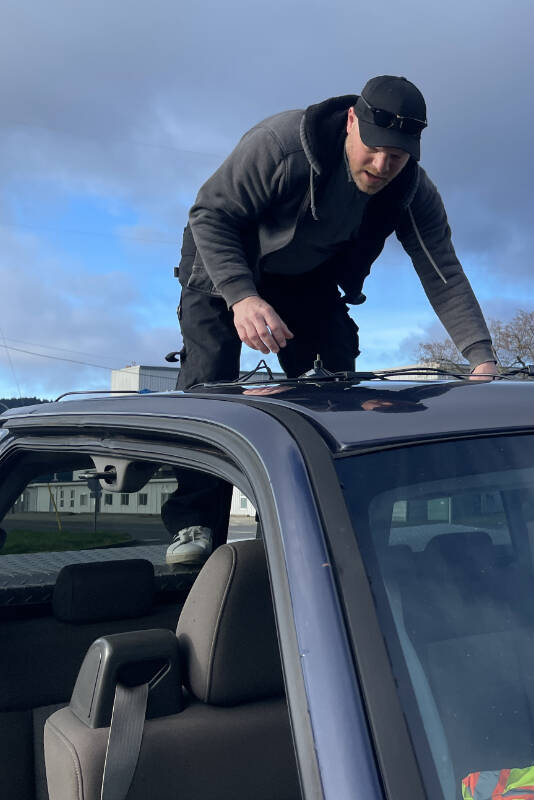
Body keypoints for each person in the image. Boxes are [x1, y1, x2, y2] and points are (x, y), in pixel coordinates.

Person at [163, 75, 499, 565]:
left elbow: (441, 269)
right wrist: (241, 297)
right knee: (211, 380)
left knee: (337, 379)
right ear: (350, 123)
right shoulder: (280, 145)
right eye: (374, 149)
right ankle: (193, 521)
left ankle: (303, 516)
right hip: (222, 265)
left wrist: (481, 356)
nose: (383, 165)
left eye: (399, 156)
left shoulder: (410, 190)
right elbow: (210, 214)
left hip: (304, 276)